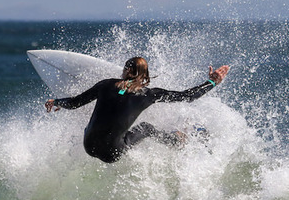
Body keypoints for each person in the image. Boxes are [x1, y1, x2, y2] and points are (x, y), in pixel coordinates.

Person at [45, 56, 230, 163]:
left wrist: (57, 102)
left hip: (88, 145)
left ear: (125, 70)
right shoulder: (150, 94)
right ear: (145, 75)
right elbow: (187, 96)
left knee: (96, 120)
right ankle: (176, 140)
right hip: (112, 154)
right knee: (146, 128)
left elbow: (75, 102)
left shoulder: (105, 85)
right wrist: (212, 82)